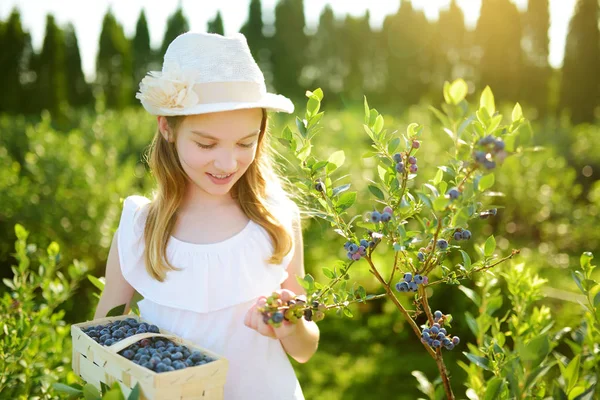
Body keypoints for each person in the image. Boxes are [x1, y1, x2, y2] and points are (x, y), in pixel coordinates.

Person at [93, 31, 319, 399]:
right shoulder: (140, 227)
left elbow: (305, 348)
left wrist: (289, 326)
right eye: (206, 143)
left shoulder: (276, 221)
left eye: (246, 143)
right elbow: (105, 335)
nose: (228, 163)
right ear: (167, 128)